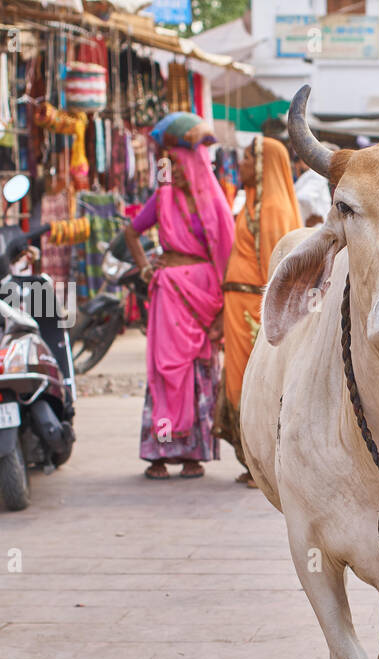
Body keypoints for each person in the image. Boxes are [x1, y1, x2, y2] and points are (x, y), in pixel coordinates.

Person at [123, 143, 234, 480]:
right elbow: (131, 232)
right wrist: (145, 270)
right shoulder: (164, 197)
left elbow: (228, 255)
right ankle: (159, 452)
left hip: (203, 295)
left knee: (199, 370)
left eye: (181, 163)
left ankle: (192, 454)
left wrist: (223, 312)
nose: (176, 170)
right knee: (165, 370)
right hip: (169, 295)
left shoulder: (214, 202)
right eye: (172, 164)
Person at [215, 137, 302, 484]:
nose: (243, 165)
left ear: (265, 166)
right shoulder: (251, 204)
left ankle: (264, 462)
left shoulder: (273, 212)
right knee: (238, 382)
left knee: (260, 384)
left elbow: (275, 273)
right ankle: (251, 460)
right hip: (239, 308)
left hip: (255, 311)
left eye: (250, 159)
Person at [290, 147, 331, 227]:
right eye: (295, 160)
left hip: (315, 230)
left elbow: (304, 198)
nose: (296, 165)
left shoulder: (315, 176)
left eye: (298, 159)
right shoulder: (304, 178)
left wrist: (312, 215)